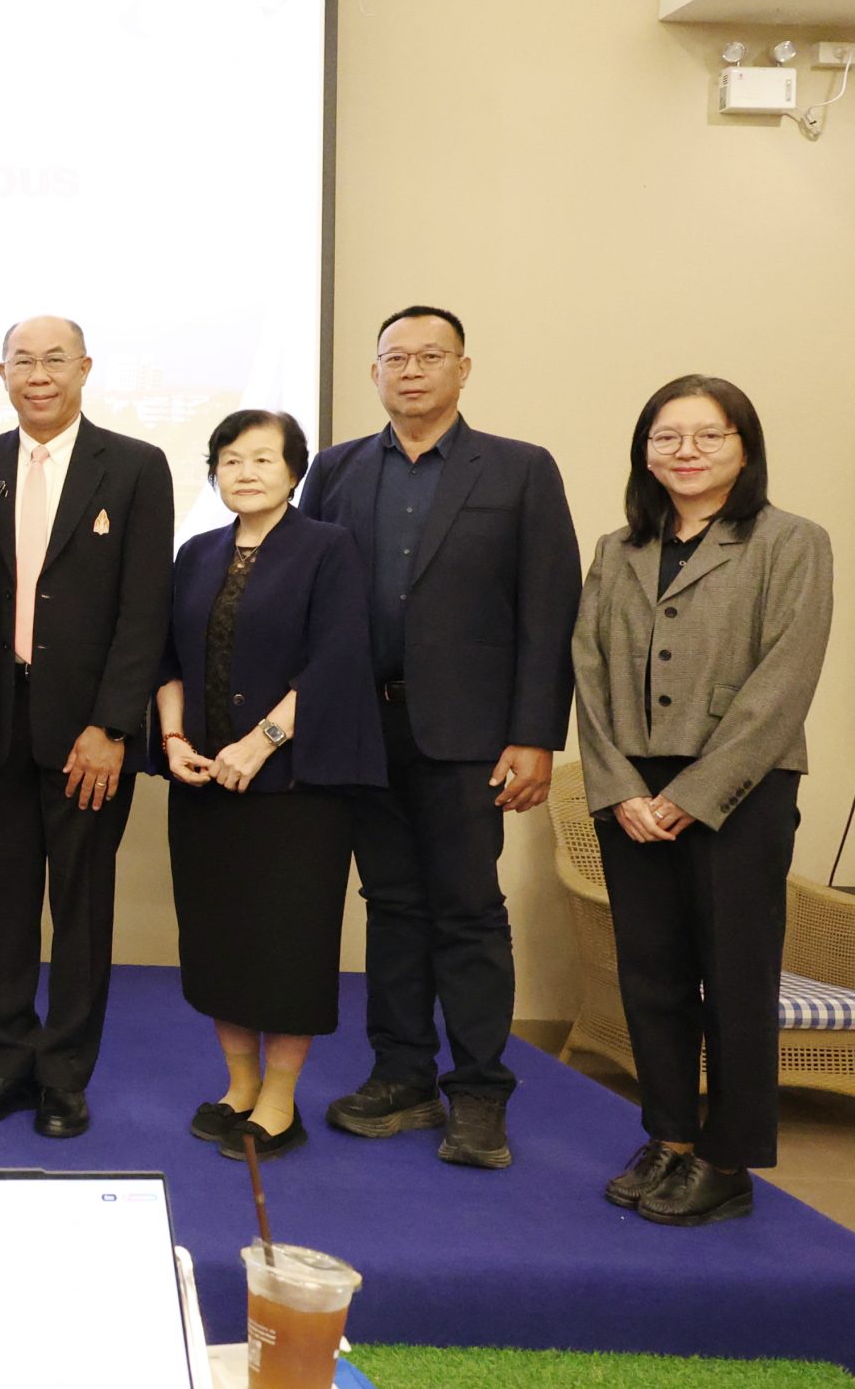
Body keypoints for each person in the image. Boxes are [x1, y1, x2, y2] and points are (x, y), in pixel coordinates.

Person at [300, 305, 580, 1169]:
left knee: (467, 910)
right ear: (374, 372)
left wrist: (535, 734)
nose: (412, 370)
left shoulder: (520, 469)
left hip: (470, 735)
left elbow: (549, 611)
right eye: (397, 357)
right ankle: (401, 1074)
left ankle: (481, 1092)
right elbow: (308, 591)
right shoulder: (336, 469)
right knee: (391, 907)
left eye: (431, 356)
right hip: (365, 727)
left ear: (464, 368)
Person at [573, 375, 832, 1226]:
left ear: (743, 448)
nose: (685, 451)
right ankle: (671, 1137)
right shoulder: (618, 548)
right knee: (650, 974)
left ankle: (728, 1160)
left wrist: (693, 793)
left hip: (742, 789)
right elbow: (588, 670)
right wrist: (620, 786)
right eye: (666, 436)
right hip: (631, 789)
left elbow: (784, 681)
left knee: (735, 975)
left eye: (707, 435)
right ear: (644, 452)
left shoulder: (790, 541)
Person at [0, 316, 173, 1141]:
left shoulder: (136, 466)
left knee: (80, 909)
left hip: (88, 732)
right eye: (23, 360)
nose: (38, 374)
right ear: (2, 372)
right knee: (3, 910)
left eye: (54, 360)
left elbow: (145, 607)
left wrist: (112, 724)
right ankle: (4, 1069)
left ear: (84, 368)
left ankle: (65, 1078)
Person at [153, 411, 383, 1163]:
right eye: (230, 459)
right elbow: (166, 660)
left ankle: (280, 1101)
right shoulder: (196, 553)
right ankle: (240, 1085)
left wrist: (261, 742)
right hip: (204, 786)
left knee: (288, 945)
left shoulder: (327, 548)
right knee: (218, 940)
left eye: (262, 458)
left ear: (294, 471)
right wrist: (175, 741)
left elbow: (338, 658)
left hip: (296, 788)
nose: (244, 472)